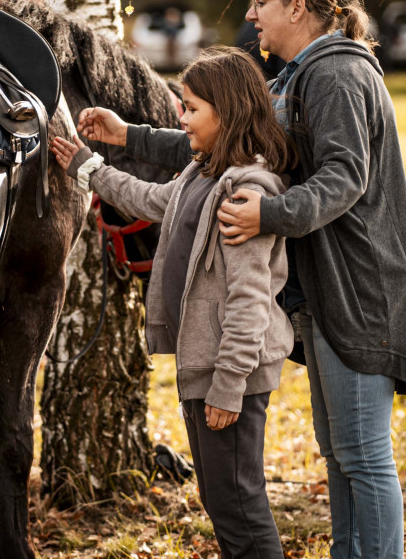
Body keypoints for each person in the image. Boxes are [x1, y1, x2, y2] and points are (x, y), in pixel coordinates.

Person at [77, 0, 406, 559]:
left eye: (262, 1)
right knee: (341, 453)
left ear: (299, 7)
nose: (253, 14)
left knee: (364, 455)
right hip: (325, 291)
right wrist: (130, 136)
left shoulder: (339, 74)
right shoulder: (297, 77)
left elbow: (346, 178)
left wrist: (271, 212)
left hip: (363, 289)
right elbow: (230, 140)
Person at [54, 47, 295, 558]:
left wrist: (229, 387)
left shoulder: (244, 192)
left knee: (238, 502)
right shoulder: (202, 173)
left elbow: (250, 301)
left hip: (231, 373)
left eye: (190, 109)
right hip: (203, 363)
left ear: (225, 112)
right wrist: (87, 168)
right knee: (218, 497)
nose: (180, 119)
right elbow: (149, 200)